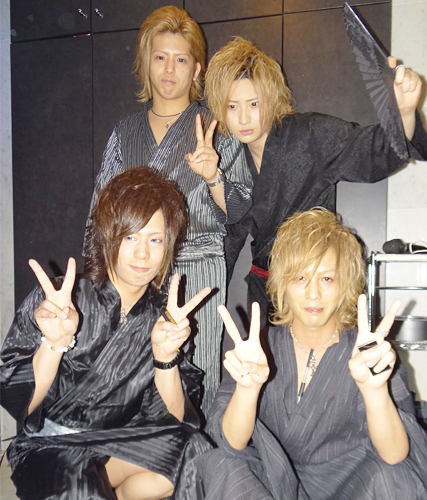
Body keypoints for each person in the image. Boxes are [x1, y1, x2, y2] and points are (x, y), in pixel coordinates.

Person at [198, 208, 427, 500]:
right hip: (273, 483)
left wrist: (374, 391)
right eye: (300, 278)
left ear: (344, 284)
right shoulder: (258, 351)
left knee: (395, 480)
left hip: (351, 484)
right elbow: (230, 443)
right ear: (282, 284)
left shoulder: (370, 355)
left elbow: (395, 455)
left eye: (326, 279)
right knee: (222, 465)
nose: (313, 293)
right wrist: (247, 390)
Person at [1, 167, 213, 500]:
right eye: (130, 237)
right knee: (82, 489)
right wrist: (54, 344)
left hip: (113, 445)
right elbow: (21, 404)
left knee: (197, 453)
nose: (143, 254)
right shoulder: (62, 300)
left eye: (155, 239)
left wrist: (165, 358)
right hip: (48, 447)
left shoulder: (163, 319)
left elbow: (177, 421)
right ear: (107, 236)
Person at [205, 37, 427, 331]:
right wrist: (206, 293)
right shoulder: (229, 159)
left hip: (316, 286)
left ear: (271, 98)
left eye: (254, 103)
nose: (244, 118)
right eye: (232, 106)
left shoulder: (309, 134)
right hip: (266, 290)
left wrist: (403, 113)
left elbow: (372, 152)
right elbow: (226, 240)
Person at [85, 7, 252, 414]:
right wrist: (95, 287)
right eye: (160, 57)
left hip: (197, 270)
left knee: (197, 377)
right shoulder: (125, 131)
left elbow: (241, 210)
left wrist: (214, 177)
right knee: (133, 376)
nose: (169, 69)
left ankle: (197, 449)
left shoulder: (215, 126)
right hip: (134, 271)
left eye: (181, 59)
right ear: (146, 62)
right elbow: (99, 213)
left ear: (197, 69)